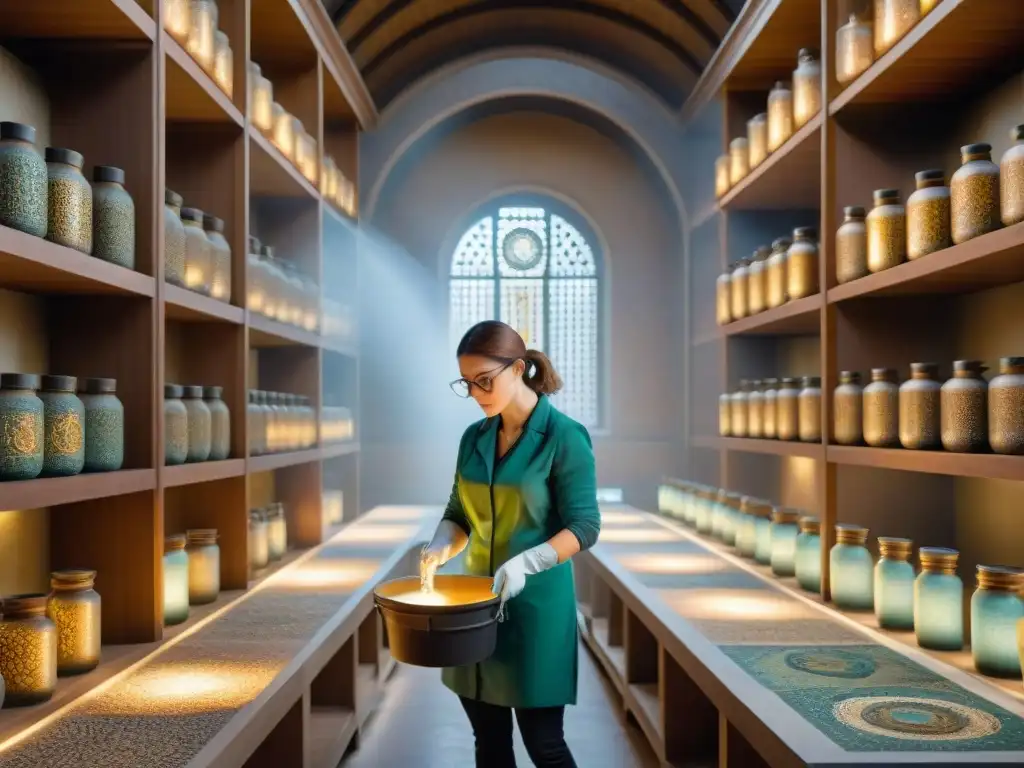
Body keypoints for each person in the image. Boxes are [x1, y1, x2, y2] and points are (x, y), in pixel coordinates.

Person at [421, 320, 601, 768]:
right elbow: (459, 512)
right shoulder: (474, 438)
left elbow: (585, 525)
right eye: (467, 384)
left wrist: (529, 562)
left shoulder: (563, 436)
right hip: (475, 609)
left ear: (518, 368)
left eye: (485, 380)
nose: (477, 393)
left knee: (545, 743)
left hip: (535, 611)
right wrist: (440, 546)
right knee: (490, 742)